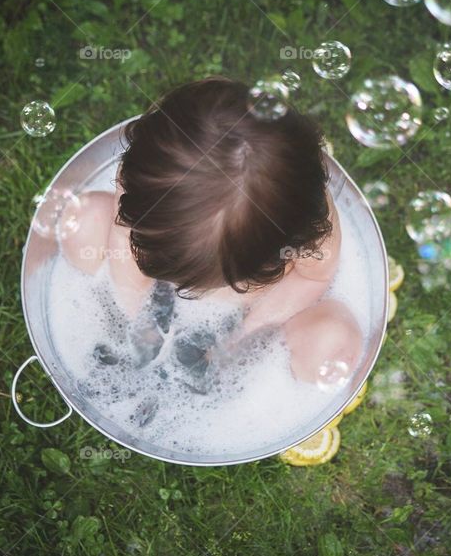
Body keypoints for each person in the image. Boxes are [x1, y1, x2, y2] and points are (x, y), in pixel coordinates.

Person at [59, 76, 362, 385]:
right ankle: (101, 305)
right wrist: (138, 312)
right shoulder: (145, 180)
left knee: (331, 339)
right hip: (160, 260)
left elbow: (314, 275)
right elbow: (123, 236)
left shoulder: (312, 227)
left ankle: (276, 369)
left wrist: (243, 335)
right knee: (82, 222)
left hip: (254, 301)